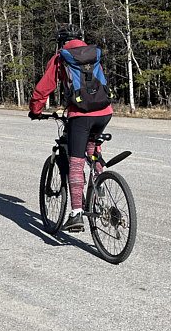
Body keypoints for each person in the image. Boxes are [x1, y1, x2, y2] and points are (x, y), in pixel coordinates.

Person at [28, 24, 113, 232]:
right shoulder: (92, 55)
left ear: (61, 41)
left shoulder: (62, 57)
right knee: (92, 151)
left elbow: (44, 87)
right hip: (104, 111)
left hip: (80, 115)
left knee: (75, 162)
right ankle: (99, 189)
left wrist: (35, 109)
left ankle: (76, 214)